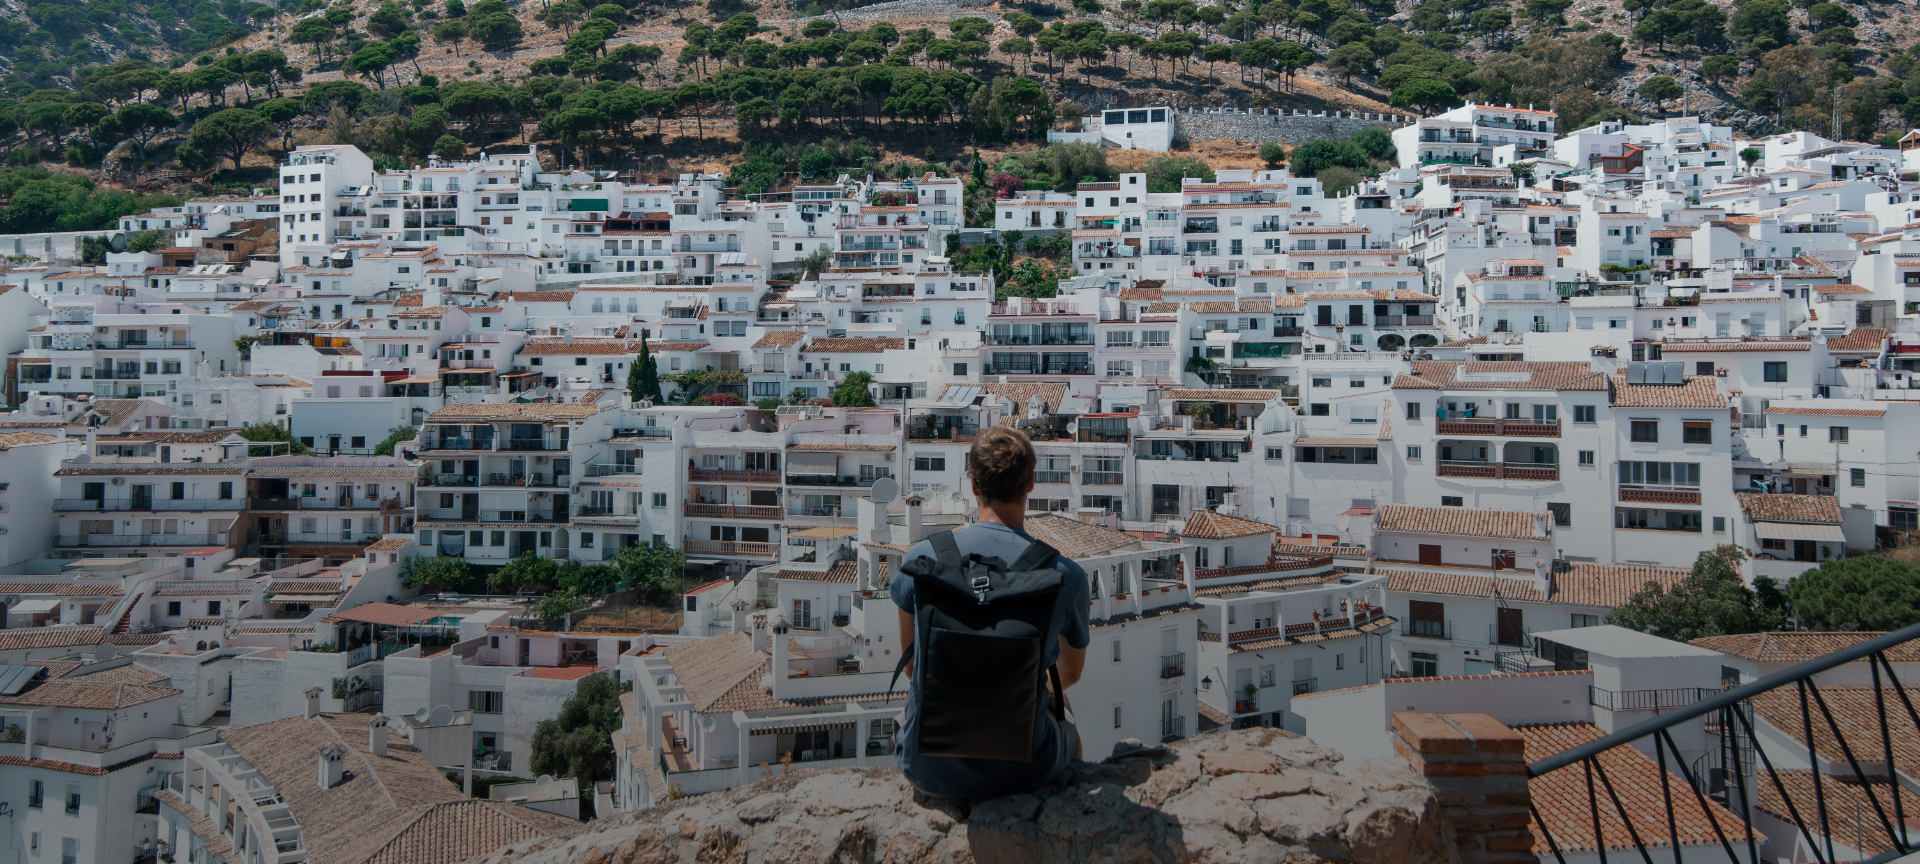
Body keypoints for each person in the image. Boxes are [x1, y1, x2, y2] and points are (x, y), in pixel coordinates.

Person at [892, 425, 1090, 799]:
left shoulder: (919, 560)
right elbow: (1069, 674)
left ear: (973, 485)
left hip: (927, 767)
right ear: (1031, 483)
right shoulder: (1066, 576)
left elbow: (912, 665)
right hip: (1024, 768)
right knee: (1065, 713)